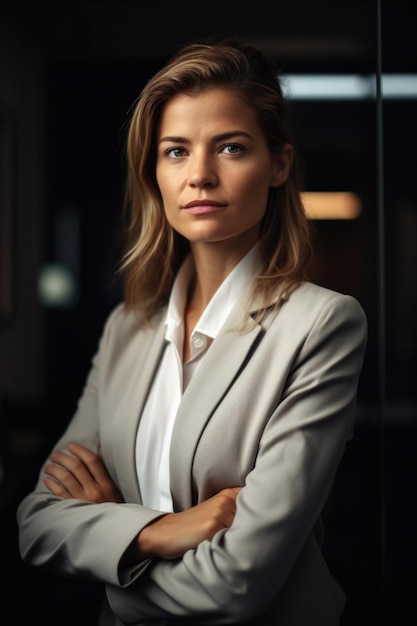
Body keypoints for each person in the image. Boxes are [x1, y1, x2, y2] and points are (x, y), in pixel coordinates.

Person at [17, 35, 367, 626]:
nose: (199, 175)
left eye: (230, 147)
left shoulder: (321, 324)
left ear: (278, 164)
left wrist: (110, 552)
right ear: (153, 172)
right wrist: (158, 532)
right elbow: (36, 524)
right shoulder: (128, 327)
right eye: (175, 152)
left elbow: (237, 587)